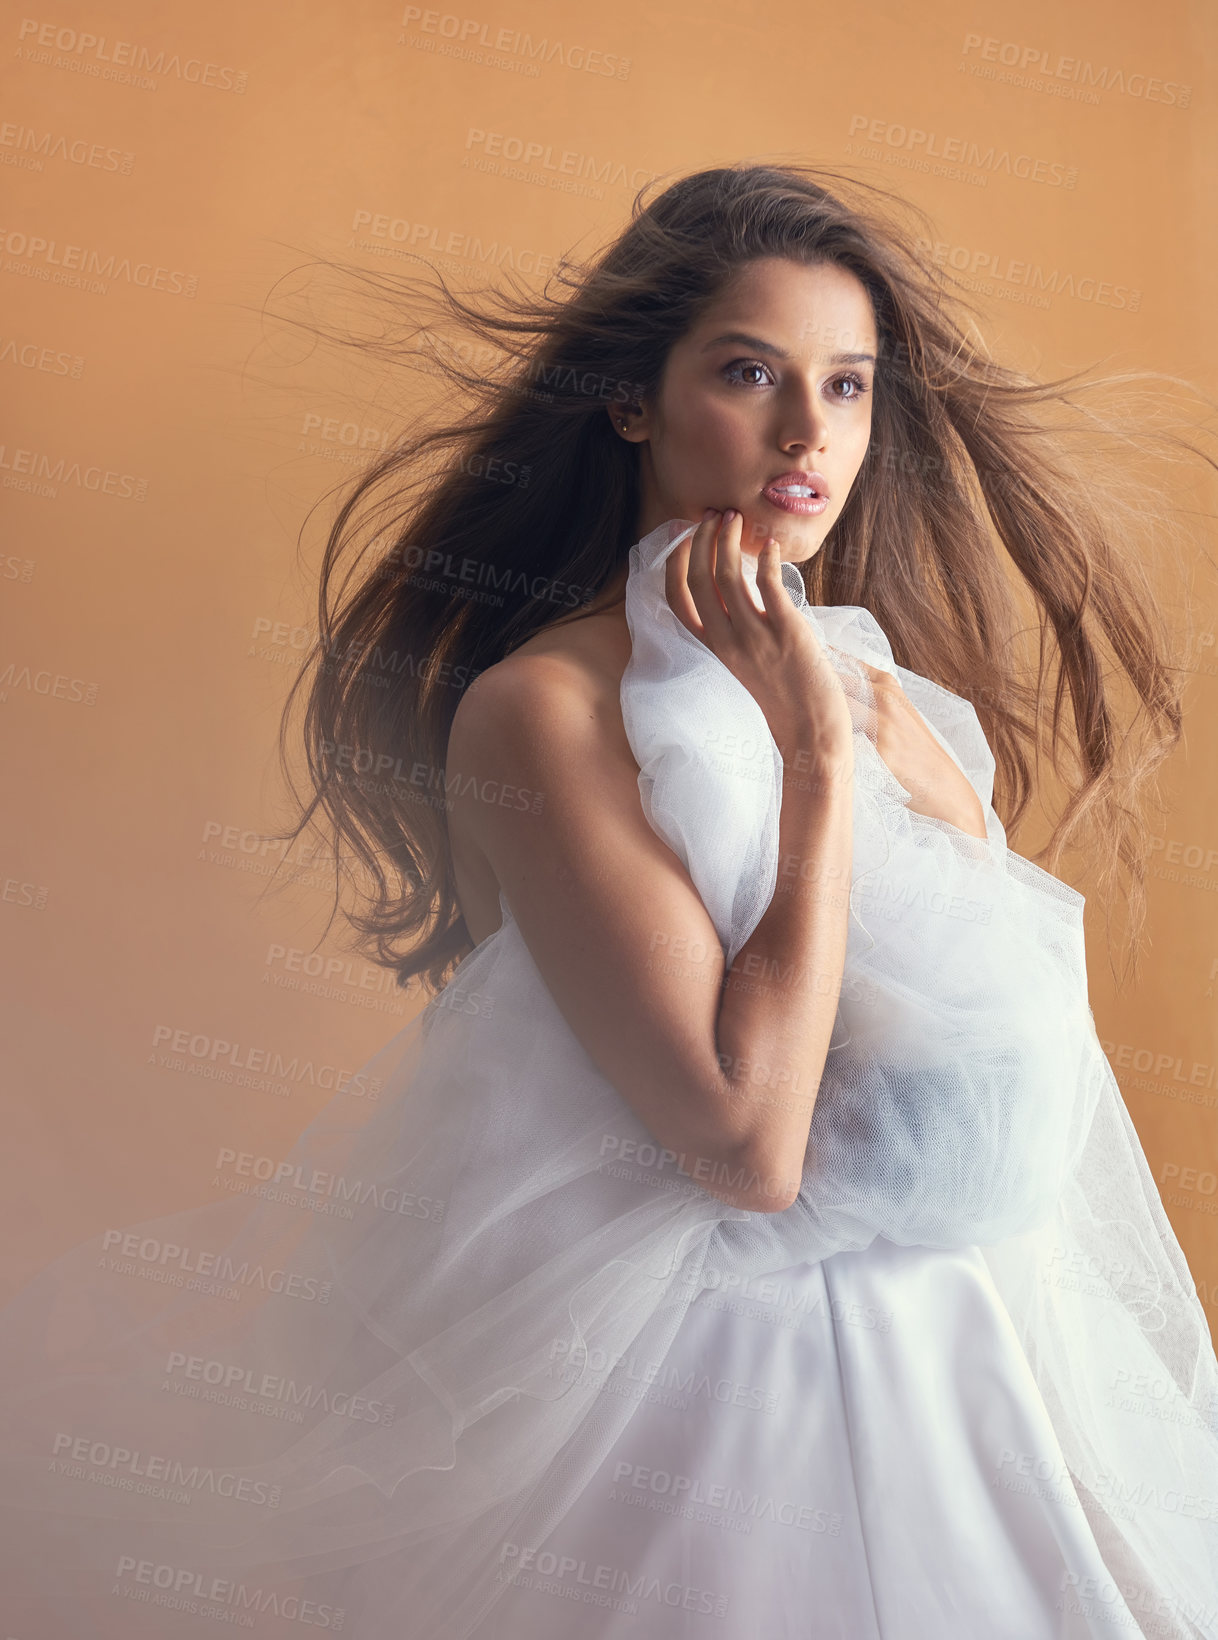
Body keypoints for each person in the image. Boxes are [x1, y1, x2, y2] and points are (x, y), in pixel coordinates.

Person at [0, 162, 1215, 1640]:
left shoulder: (878, 682)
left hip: (959, 1358)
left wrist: (851, 728)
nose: (802, 436)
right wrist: (818, 767)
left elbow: (1003, 1030)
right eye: (748, 372)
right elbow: (744, 1142)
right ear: (631, 399)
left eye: (845, 388)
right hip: (722, 1397)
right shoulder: (546, 715)